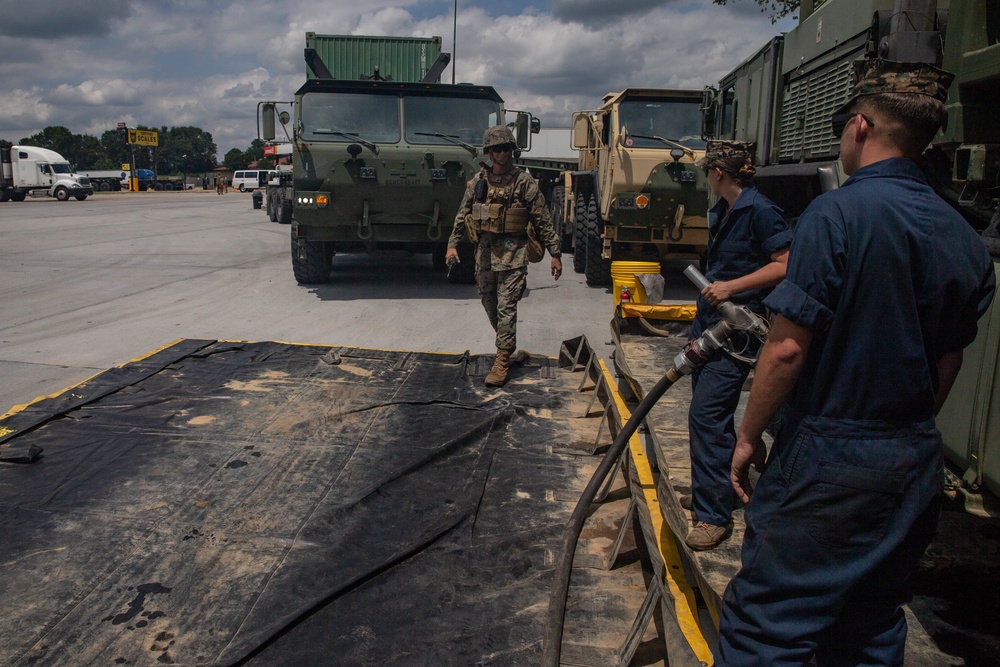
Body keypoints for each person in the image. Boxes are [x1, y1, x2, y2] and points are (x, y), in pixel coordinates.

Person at [720, 59, 996, 664]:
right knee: (871, 622)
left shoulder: (835, 216)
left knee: (768, 626)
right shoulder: (964, 239)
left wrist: (747, 436)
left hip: (828, 457)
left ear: (862, 127)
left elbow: (788, 347)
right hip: (910, 461)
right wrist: (906, 433)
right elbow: (946, 363)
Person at [683, 140, 792, 551]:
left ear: (718, 173)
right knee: (710, 413)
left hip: (739, 332)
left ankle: (714, 516)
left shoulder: (760, 210)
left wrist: (731, 287)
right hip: (712, 325)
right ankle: (727, 475)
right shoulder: (725, 209)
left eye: (707, 172)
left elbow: (785, 264)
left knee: (705, 417)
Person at [445, 126, 563, 387]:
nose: (502, 153)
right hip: (484, 255)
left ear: (512, 150)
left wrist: (555, 253)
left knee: (506, 307)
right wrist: (452, 245)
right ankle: (507, 346)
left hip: (514, 256)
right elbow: (462, 214)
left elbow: (543, 220)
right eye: (497, 149)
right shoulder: (478, 182)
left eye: (506, 148)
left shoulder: (524, 182)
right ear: (489, 152)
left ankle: (501, 360)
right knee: (489, 304)